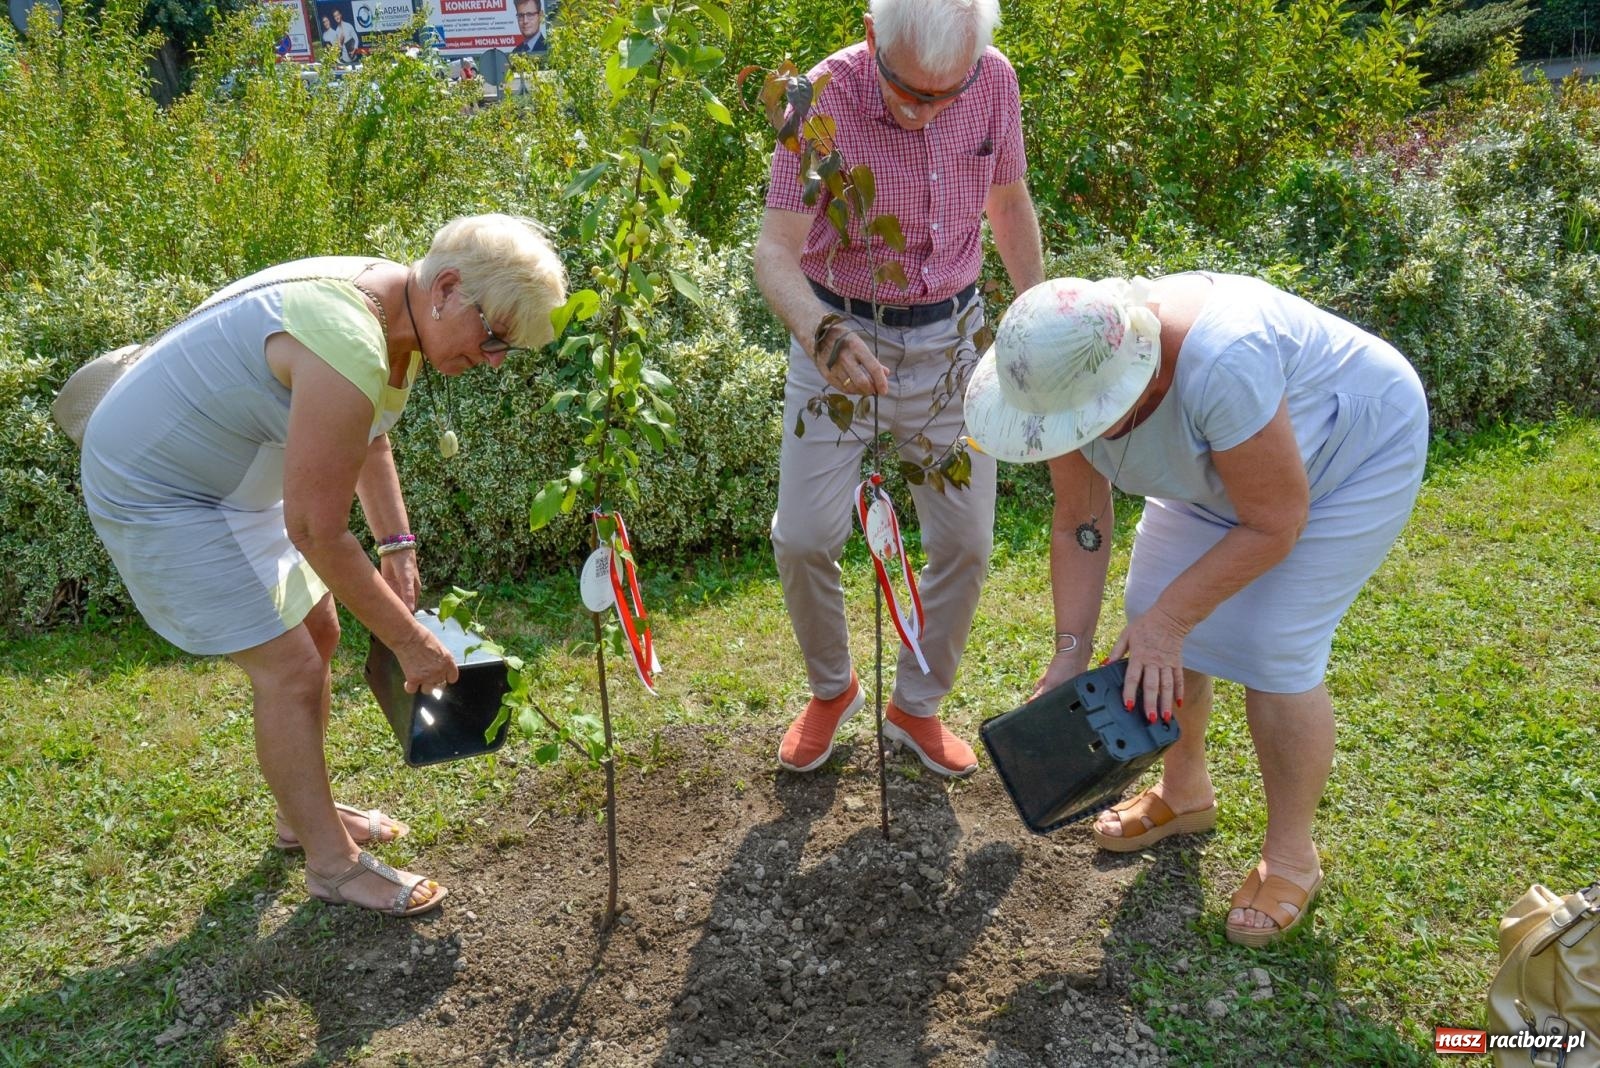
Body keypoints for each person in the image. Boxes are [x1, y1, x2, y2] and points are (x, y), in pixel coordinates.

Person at [79, 215, 567, 918]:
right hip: (162, 493)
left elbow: (363, 436)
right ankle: (332, 865)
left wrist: (397, 544)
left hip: (225, 478)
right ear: (450, 288)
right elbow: (312, 527)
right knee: (292, 667)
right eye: (494, 337)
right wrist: (407, 639)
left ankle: (300, 816)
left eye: (508, 350)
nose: (494, 359)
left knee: (322, 630)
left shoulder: (391, 300)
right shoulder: (346, 336)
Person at [964, 273, 1429, 945]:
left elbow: (1275, 521)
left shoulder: (1221, 359)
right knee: (1149, 604)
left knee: (1274, 645)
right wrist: (1071, 652)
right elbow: (1080, 522)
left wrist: (1170, 624)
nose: (1077, 438)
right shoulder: (1062, 375)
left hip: (1349, 452)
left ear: (1145, 380)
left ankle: (1292, 853)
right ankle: (1185, 795)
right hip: (1222, 462)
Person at [754, 0, 1045, 779]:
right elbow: (775, 253)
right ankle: (832, 689)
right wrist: (821, 334)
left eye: (947, 96)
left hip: (954, 345)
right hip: (841, 339)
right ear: (873, 34)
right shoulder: (814, 101)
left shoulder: (996, 81)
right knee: (805, 535)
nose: (928, 113)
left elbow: (1008, 202)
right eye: (912, 93)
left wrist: (1039, 314)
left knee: (966, 543)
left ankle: (916, 705)